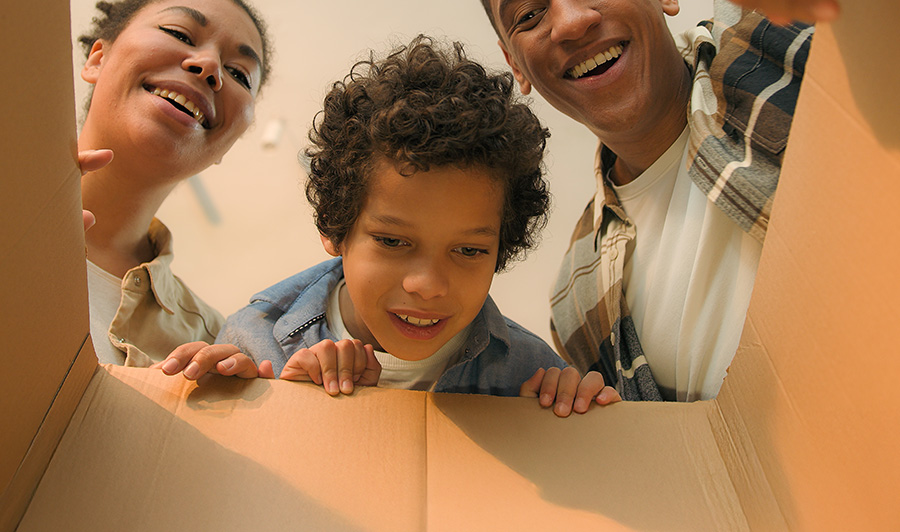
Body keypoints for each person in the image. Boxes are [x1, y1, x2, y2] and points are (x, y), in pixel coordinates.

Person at [477, 0, 862, 401]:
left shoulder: (770, 40)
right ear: (516, 66)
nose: (570, 22)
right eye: (529, 15)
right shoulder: (575, 295)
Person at [163, 37, 619, 416]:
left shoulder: (529, 375)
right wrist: (253, 410)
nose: (428, 285)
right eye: (393, 241)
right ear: (336, 229)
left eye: (469, 250)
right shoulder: (256, 346)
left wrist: (575, 426)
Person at [77, 0, 272, 367]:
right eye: (179, 34)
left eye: (238, 74)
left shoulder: (212, 342)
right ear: (98, 58)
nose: (209, 66)